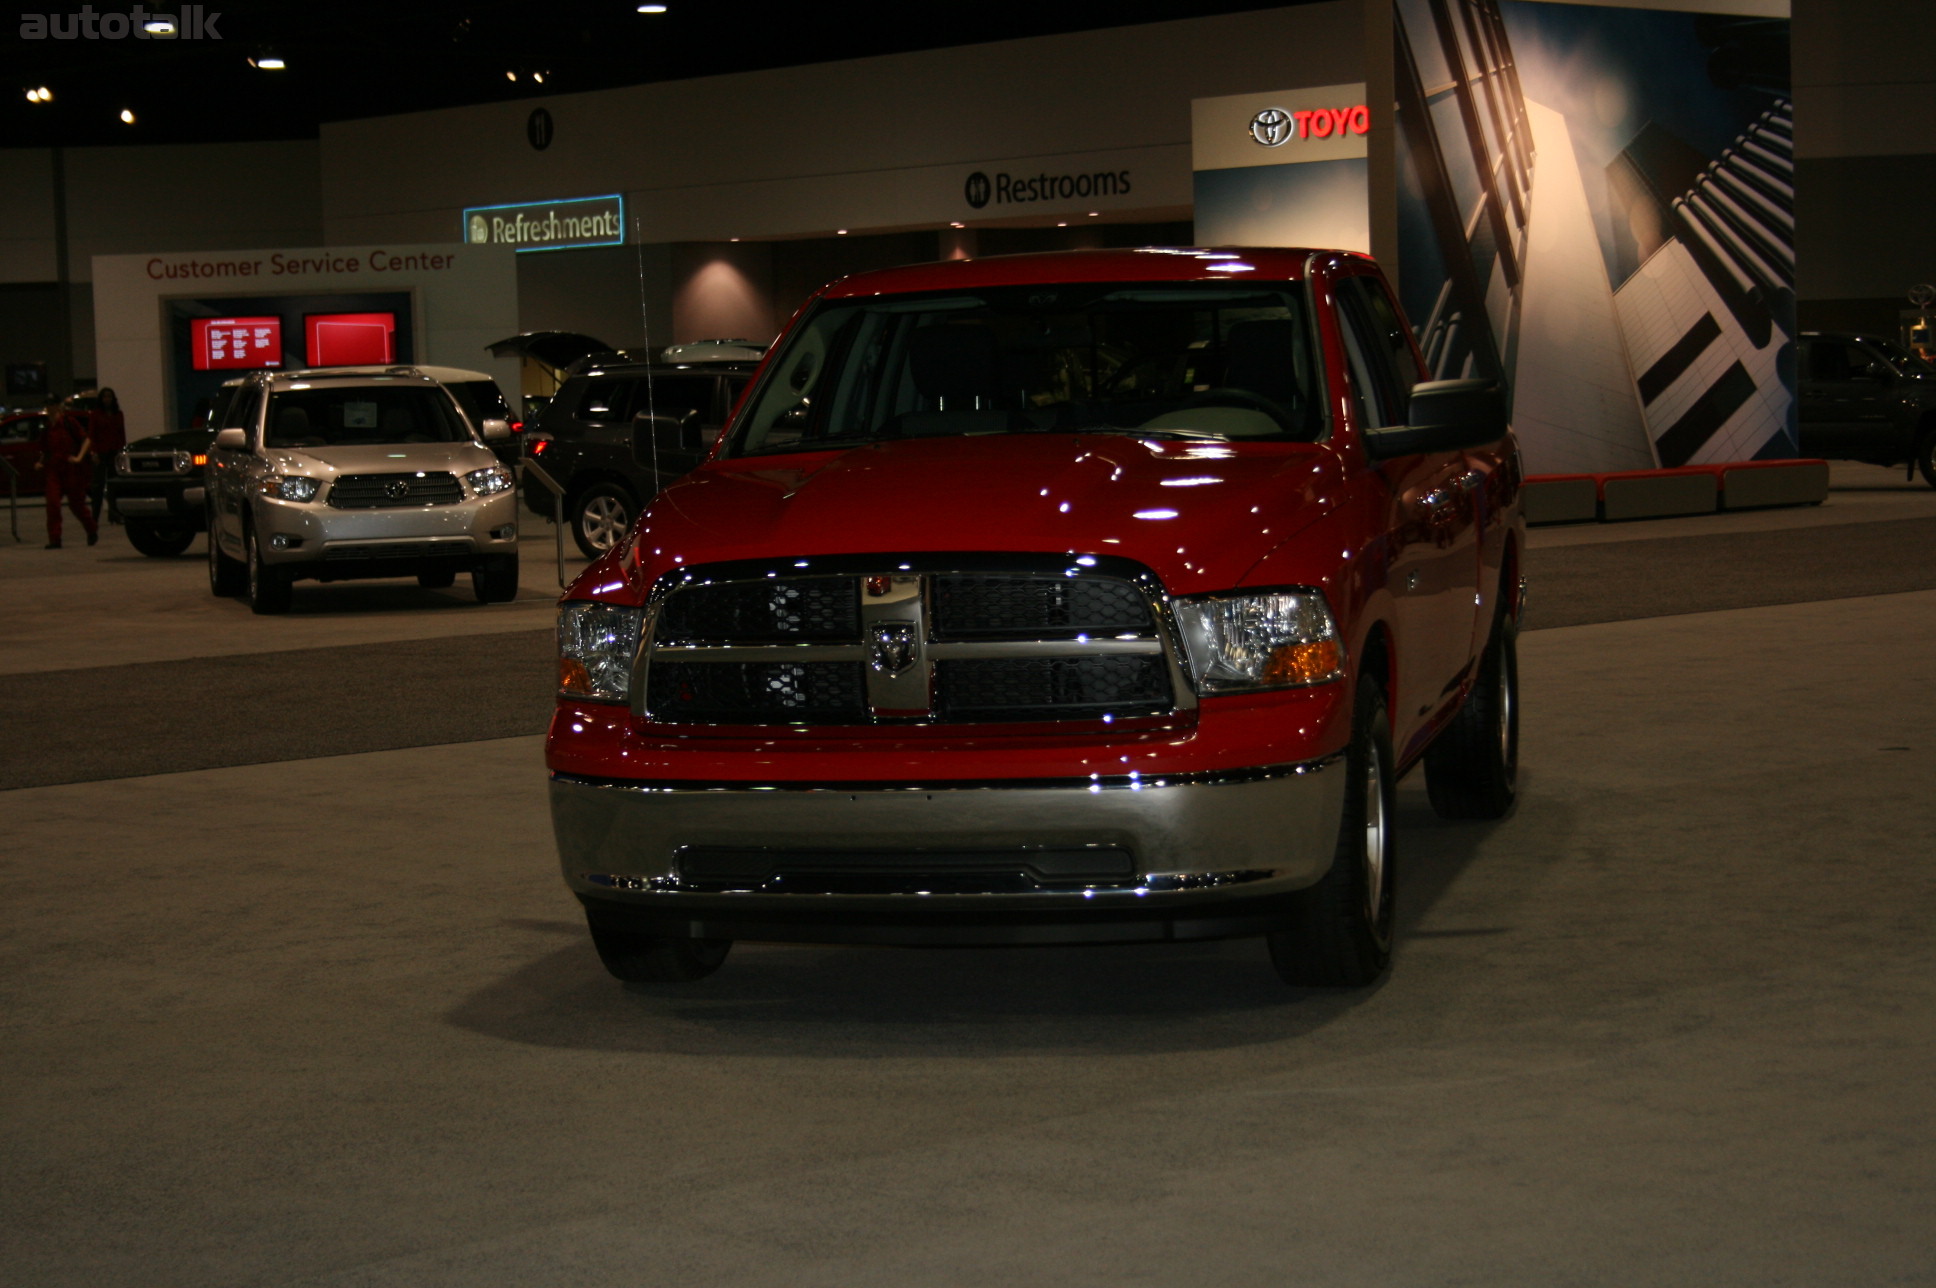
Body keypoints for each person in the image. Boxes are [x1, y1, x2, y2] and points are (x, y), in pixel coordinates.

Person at [40, 396, 97, 548]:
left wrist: (79, 458)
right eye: (47, 404)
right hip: (54, 469)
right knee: (53, 504)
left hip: (71, 469)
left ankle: (91, 529)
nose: (49, 407)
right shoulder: (47, 428)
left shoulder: (68, 422)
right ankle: (55, 539)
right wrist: (40, 462)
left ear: (58, 406)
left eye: (52, 404)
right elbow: (45, 450)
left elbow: (86, 439)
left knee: (77, 505)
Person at [88, 386, 127, 523]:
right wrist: (93, 452)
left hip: (114, 453)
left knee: (113, 485)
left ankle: (114, 514)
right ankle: (95, 516)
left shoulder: (118, 414)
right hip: (100, 452)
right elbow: (91, 434)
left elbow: (121, 434)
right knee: (97, 486)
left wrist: (122, 451)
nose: (107, 399)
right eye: (105, 396)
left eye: (109, 396)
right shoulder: (95, 415)